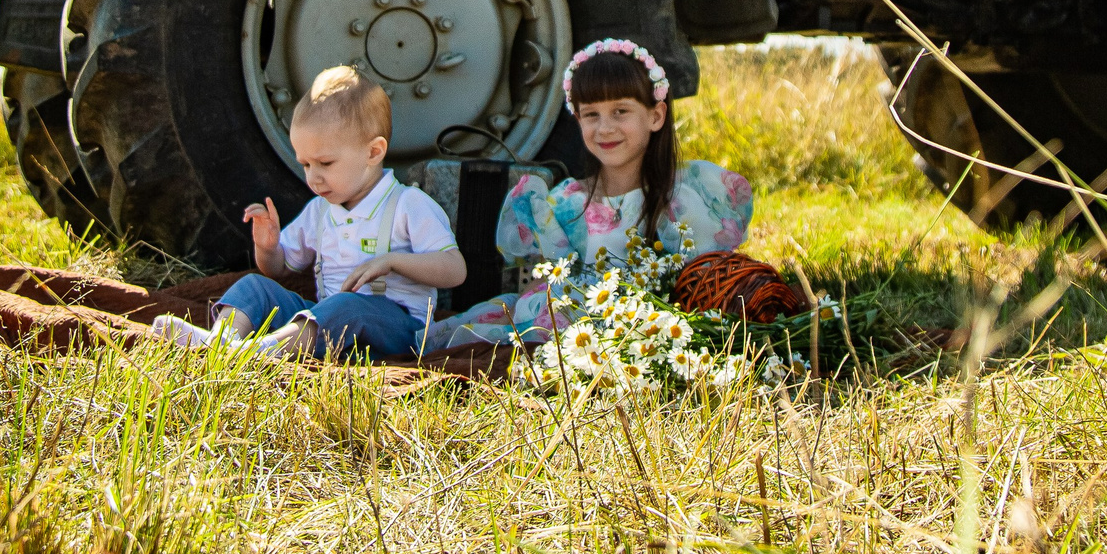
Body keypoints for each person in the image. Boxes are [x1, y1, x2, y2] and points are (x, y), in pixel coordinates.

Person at [430, 37, 750, 349]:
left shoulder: (686, 195)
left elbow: (706, 281)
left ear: (656, 116)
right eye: (591, 114)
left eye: (620, 111)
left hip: (654, 326)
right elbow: (541, 282)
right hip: (579, 324)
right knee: (497, 330)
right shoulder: (568, 202)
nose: (605, 128)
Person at [154, 65, 464, 360]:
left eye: (325, 163)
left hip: (399, 330)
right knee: (254, 286)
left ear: (373, 152)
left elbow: (454, 270)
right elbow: (278, 269)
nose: (313, 177)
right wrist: (268, 247)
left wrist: (392, 261)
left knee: (348, 306)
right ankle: (222, 341)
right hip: (326, 322)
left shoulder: (408, 204)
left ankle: (262, 352)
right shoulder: (319, 210)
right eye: (306, 164)